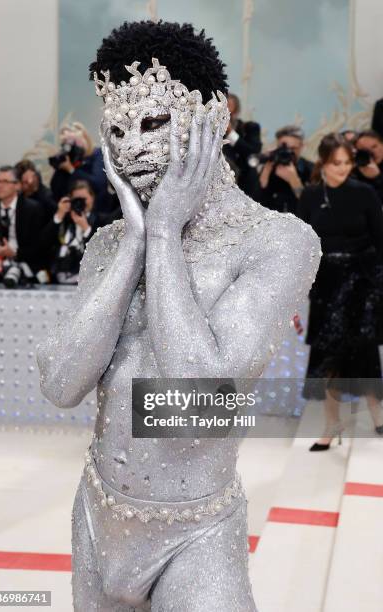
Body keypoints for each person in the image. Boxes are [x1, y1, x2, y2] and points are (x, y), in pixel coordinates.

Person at [36, 21, 320, 612]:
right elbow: (61, 385)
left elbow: (196, 409)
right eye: (116, 130)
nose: (133, 148)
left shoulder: (276, 241)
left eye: (154, 124)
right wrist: (136, 245)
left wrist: (164, 232)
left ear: (213, 120)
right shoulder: (111, 244)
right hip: (97, 516)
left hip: (197, 535)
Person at [297, 133, 383, 451]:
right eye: (336, 163)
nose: (343, 169)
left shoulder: (365, 193)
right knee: (327, 355)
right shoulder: (309, 196)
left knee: (363, 350)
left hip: (361, 283)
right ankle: (331, 424)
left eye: (347, 163)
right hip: (325, 284)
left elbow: (380, 240)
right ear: (323, 162)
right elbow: (301, 245)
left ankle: (377, 415)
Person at [0, 166, 46, 282]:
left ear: (17, 185)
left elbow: (39, 247)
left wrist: (14, 253)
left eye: (5, 182)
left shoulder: (33, 209)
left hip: (26, 267)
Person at [40, 180, 110, 284]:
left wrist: (86, 228)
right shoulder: (64, 220)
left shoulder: (101, 221)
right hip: (57, 279)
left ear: (92, 198)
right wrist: (59, 215)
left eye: (84, 199)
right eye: (77, 199)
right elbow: (43, 243)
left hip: (89, 280)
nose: (80, 203)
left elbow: (103, 252)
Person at [49, 121, 112, 213]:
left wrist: (71, 170)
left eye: (74, 142)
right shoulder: (71, 159)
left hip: (99, 212)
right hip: (76, 213)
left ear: (84, 137)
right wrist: (59, 167)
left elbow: (98, 183)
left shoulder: (98, 154)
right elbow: (55, 189)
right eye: (67, 144)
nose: (73, 146)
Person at [259, 125, 313, 215]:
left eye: (292, 149)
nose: (287, 152)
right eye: (283, 148)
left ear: (302, 147)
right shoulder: (270, 167)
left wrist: (294, 180)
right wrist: (266, 172)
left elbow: (311, 206)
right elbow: (256, 201)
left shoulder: (310, 169)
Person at [223, 93, 262, 199]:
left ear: (235, 110)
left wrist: (230, 132)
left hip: (242, 184)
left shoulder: (249, 128)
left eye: (228, 106)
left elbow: (253, 151)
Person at [352, 130, 383, 203]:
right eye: (365, 150)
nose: (372, 153)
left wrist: (378, 178)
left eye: (374, 146)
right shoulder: (356, 174)